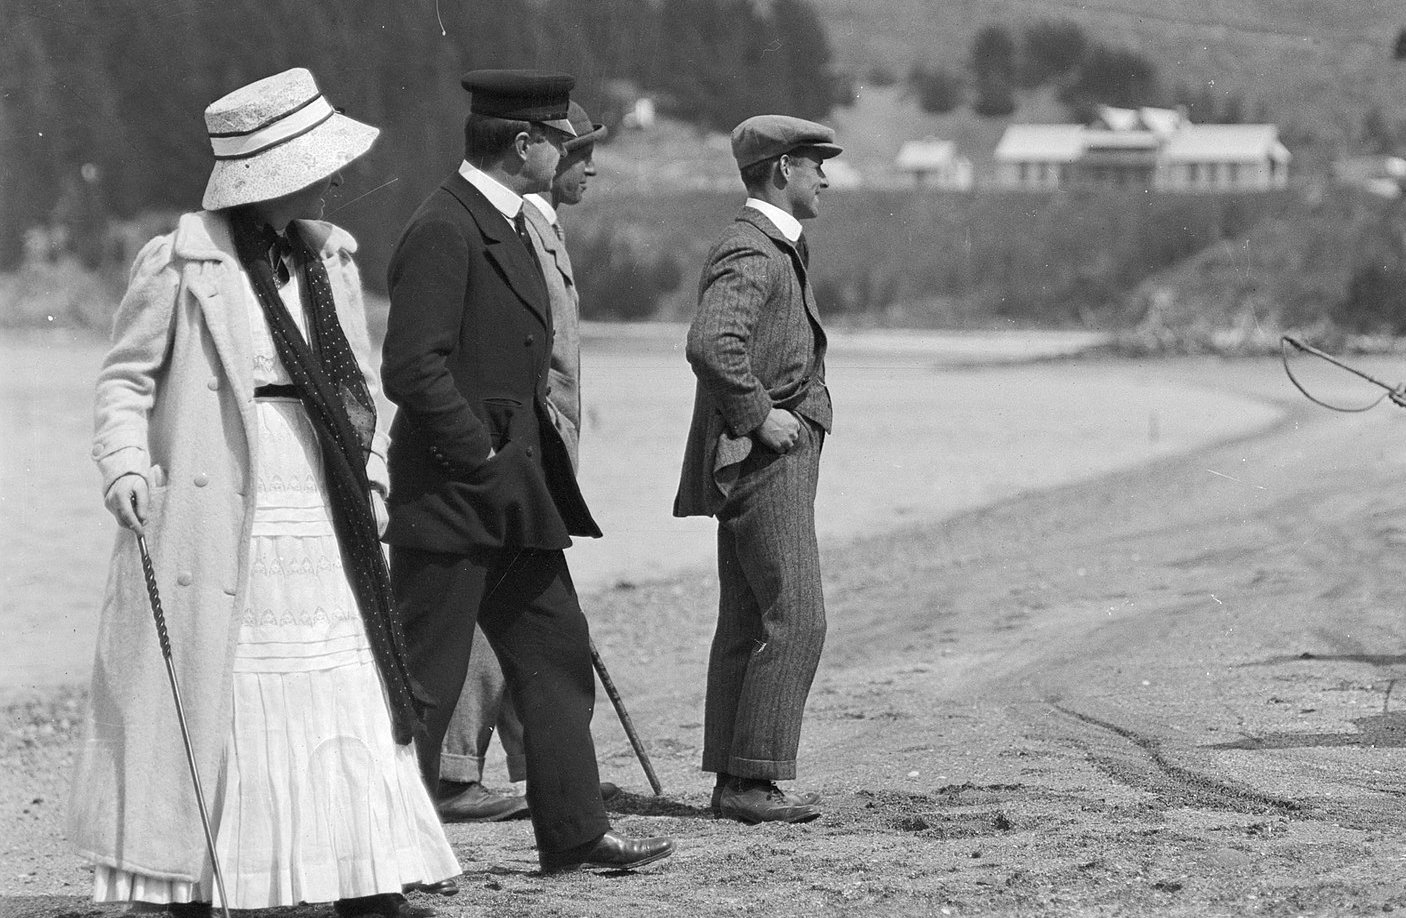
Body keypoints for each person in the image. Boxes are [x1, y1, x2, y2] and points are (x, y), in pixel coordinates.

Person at [68, 68, 459, 918]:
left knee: (341, 674)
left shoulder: (333, 259)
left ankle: (365, 875)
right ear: (273, 175)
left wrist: (377, 480)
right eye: (318, 164)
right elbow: (125, 383)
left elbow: (357, 390)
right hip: (219, 501)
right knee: (229, 683)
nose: (334, 178)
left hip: (321, 495)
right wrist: (125, 467)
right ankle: (203, 879)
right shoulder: (180, 261)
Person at [381, 69, 673, 872]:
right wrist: (476, 450)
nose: (567, 150)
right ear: (523, 145)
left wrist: (511, 460)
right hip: (454, 493)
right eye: (557, 138)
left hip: (517, 491)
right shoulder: (446, 226)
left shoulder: (505, 221)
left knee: (555, 656)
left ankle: (576, 834)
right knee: (427, 684)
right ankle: (384, 852)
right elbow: (411, 370)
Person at [436, 101, 614, 823]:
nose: (591, 167)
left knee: (525, 618)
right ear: (537, 154)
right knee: (495, 617)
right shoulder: (519, 231)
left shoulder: (543, 227)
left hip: (541, 454)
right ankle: (456, 775)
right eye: (579, 155)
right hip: (517, 456)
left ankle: (533, 771)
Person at [673, 114, 840, 825]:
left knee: (748, 618)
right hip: (763, 457)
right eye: (814, 164)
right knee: (797, 615)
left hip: (763, 457)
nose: (825, 177)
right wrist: (757, 414)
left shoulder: (773, 246)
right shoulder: (755, 249)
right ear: (782, 172)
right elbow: (712, 343)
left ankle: (738, 781)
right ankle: (749, 782)